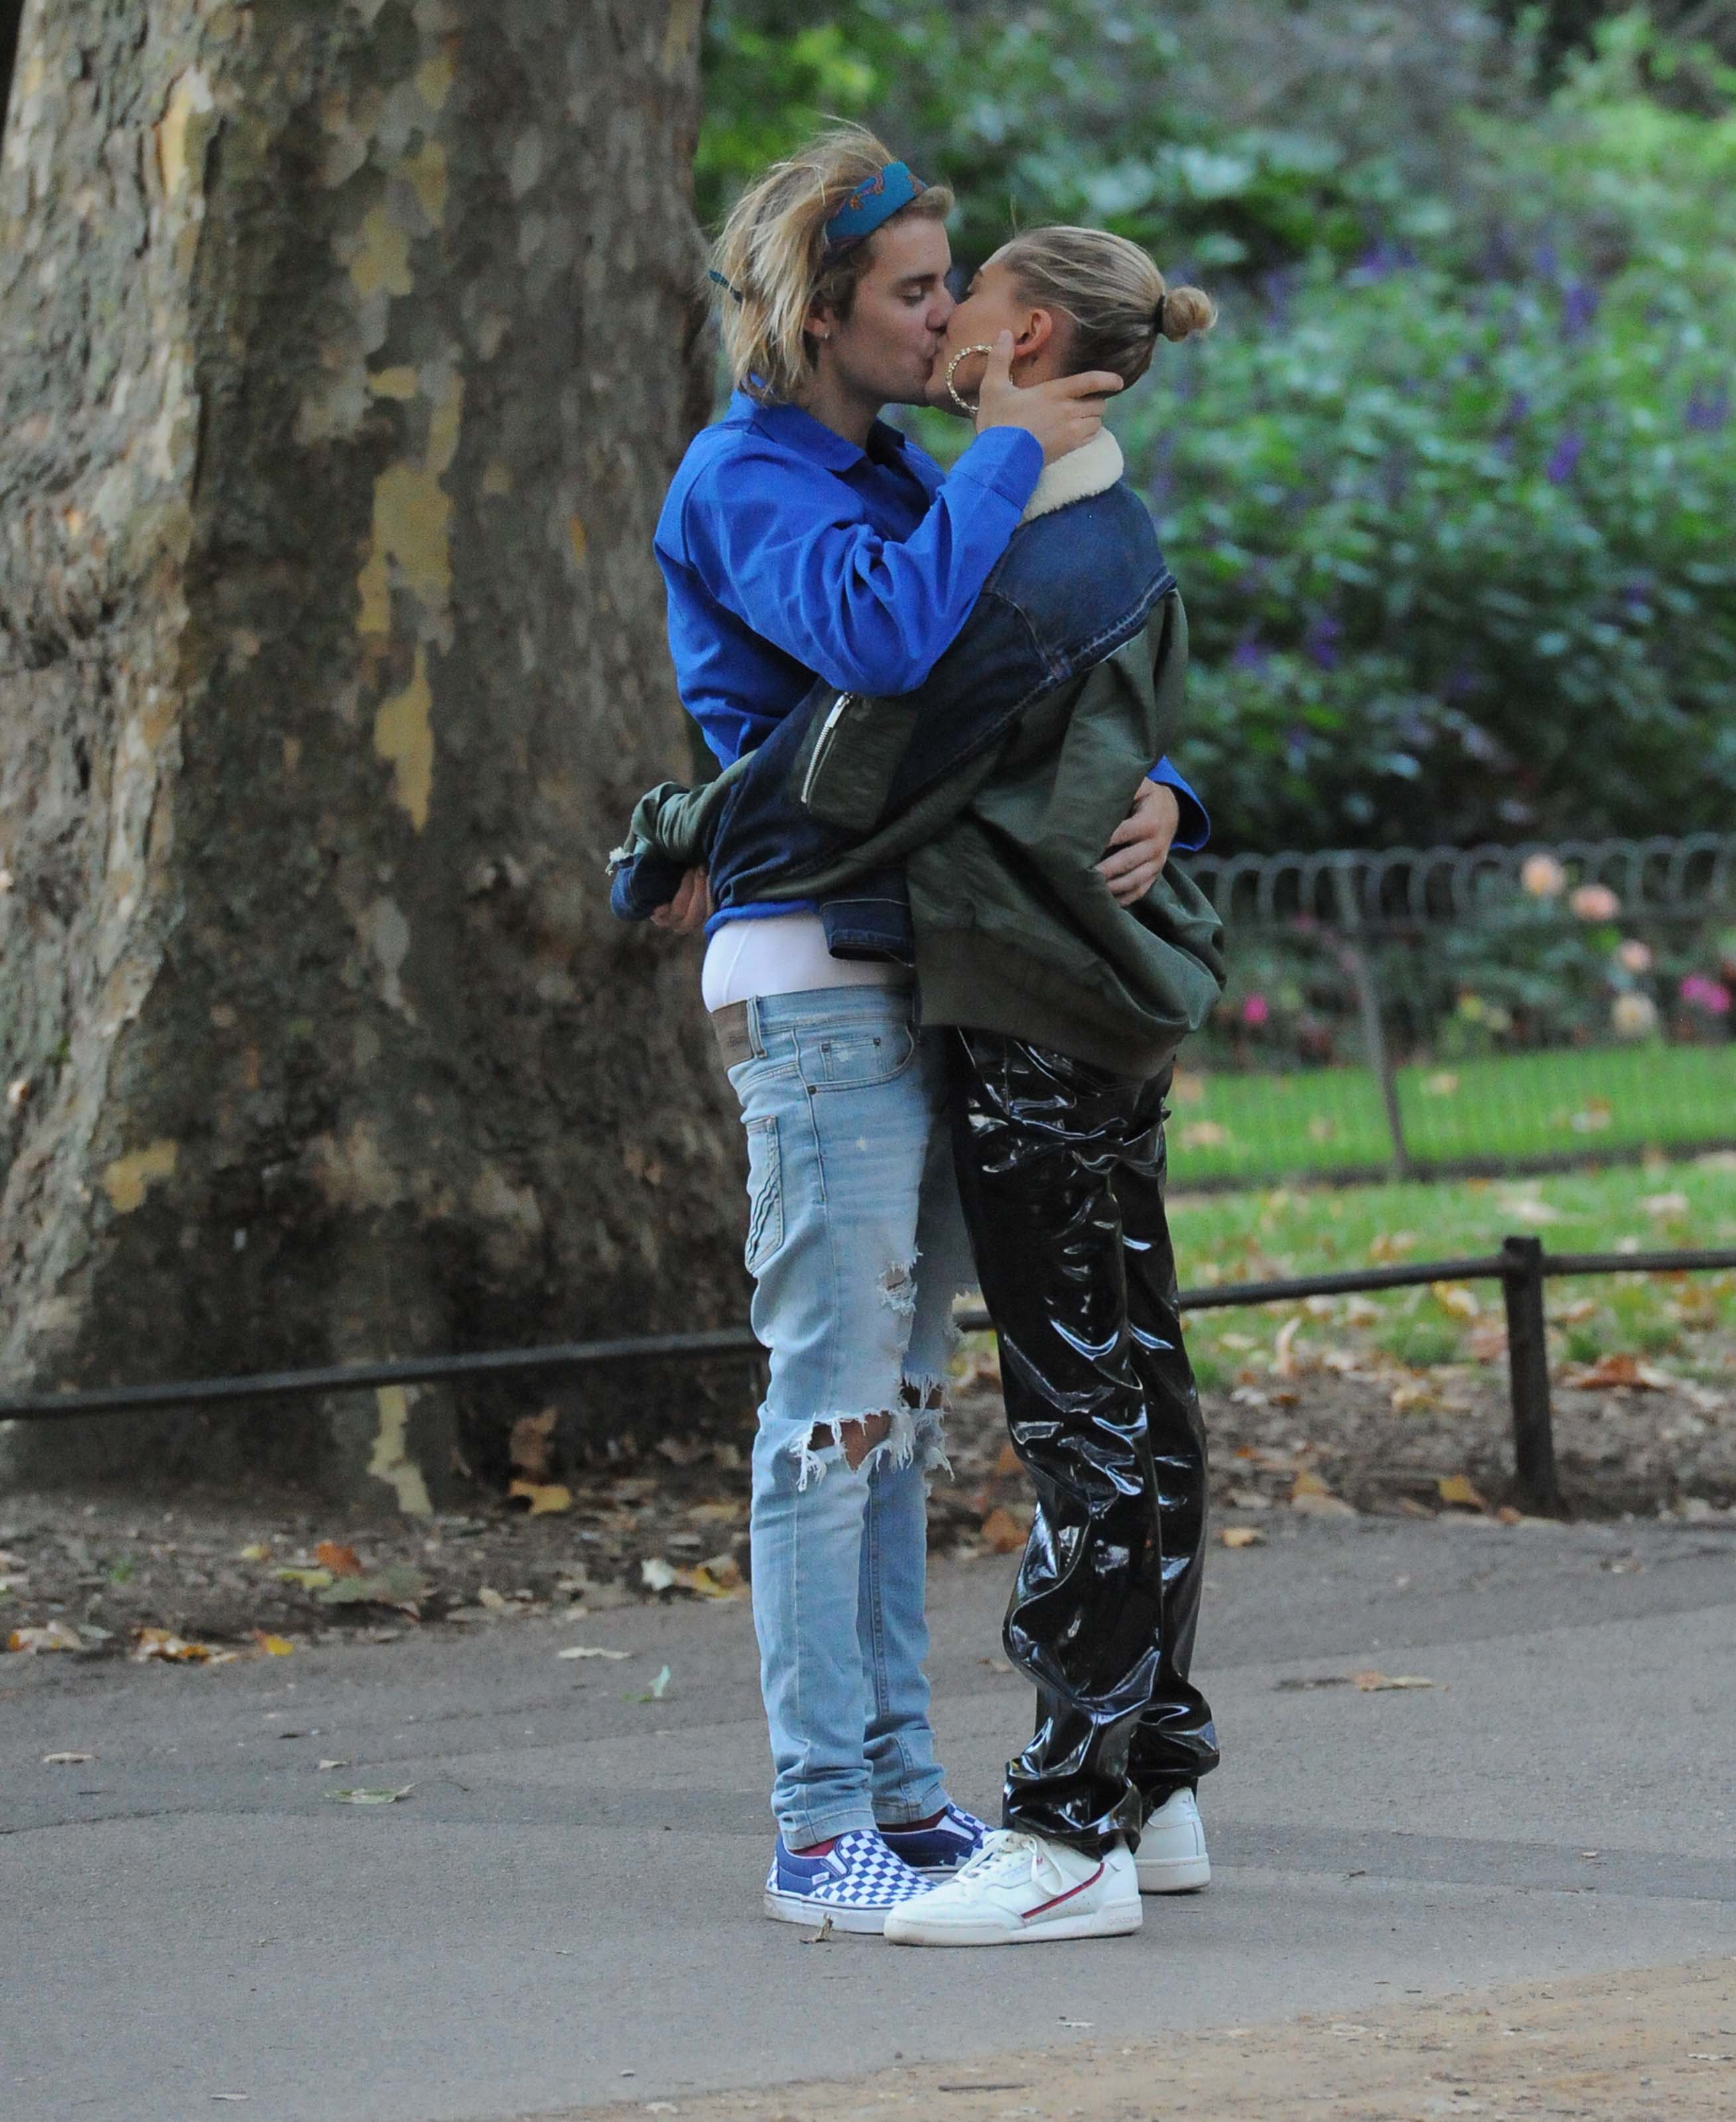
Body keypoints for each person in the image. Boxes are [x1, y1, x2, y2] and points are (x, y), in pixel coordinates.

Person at [620, 220, 1226, 1946]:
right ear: (820, 312)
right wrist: (682, 836)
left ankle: (904, 1791)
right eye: (911, 286)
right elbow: (888, 667)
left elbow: (1027, 681)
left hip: (936, 982)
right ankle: (824, 1824)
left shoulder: (910, 470)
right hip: (820, 978)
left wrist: (1165, 786)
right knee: (831, 1413)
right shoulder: (754, 478)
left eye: (956, 282)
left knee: (902, 1414)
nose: (942, 311)